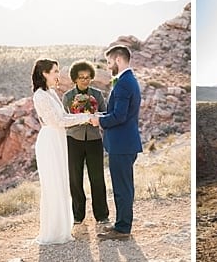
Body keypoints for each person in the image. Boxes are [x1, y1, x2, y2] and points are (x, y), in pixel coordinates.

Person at [31, 58, 93, 244]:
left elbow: (64, 116)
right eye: (55, 71)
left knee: (62, 182)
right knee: (53, 183)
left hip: (58, 140)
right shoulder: (40, 95)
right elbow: (57, 122)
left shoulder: (50, 92)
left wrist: (86, 116)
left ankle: (62, 229)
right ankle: (53, 232)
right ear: (44, 73)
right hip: (50, 141)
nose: (58, 74)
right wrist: (86, 118)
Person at [92, 45, 142, 240]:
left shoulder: (123, 83)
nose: (108, 65)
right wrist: (102, 115)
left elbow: (120, 116)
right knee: (124, 186)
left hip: (121, 144)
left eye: (109, 61)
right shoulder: (129, 80)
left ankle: (122, 228)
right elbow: (121, 113)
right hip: (125, 143)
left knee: (122, 188)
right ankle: (122, 225)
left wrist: (100, 121)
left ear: (118, 60)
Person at [62, 60, 110, 225]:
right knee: (75, 179)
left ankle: (102, 215)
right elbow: (64, 118)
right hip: (73, 140)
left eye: (88, 77)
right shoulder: (67, 96)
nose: (84, 80)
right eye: (81, 77)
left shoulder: (97, 94)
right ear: (75, 78)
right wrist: (79, 116)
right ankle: (77, 216)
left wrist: (93, 115)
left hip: (94, 140)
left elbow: (105, 114)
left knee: (97, 178)